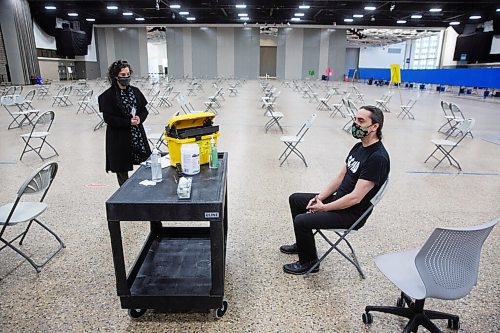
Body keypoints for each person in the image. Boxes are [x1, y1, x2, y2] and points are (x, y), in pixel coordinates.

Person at [280, 105, 390, 275]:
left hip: (351, 213)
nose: (355, 124)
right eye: (355, 119)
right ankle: (303, 245)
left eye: (361, 121)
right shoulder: (358, 147)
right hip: (339, 200)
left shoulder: (378, 158)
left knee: (302, 221)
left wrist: (323, 208)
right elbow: (340, 177)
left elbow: (355, 198)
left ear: (375, 126)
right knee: (295, 199)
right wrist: (320, 198)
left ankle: (309, 263)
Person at [98, 60, 152, 186]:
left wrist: (139, 118)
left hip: (137, 135)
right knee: (122, 169)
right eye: (123, 75)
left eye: (128, 74)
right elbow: (108, 119)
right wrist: (128, 122)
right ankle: (124, 195)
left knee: (146, 163)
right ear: (115, 76)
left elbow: (144, 110)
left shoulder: (135, 91)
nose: (126, 77)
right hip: (119, 138)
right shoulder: (107, 96)